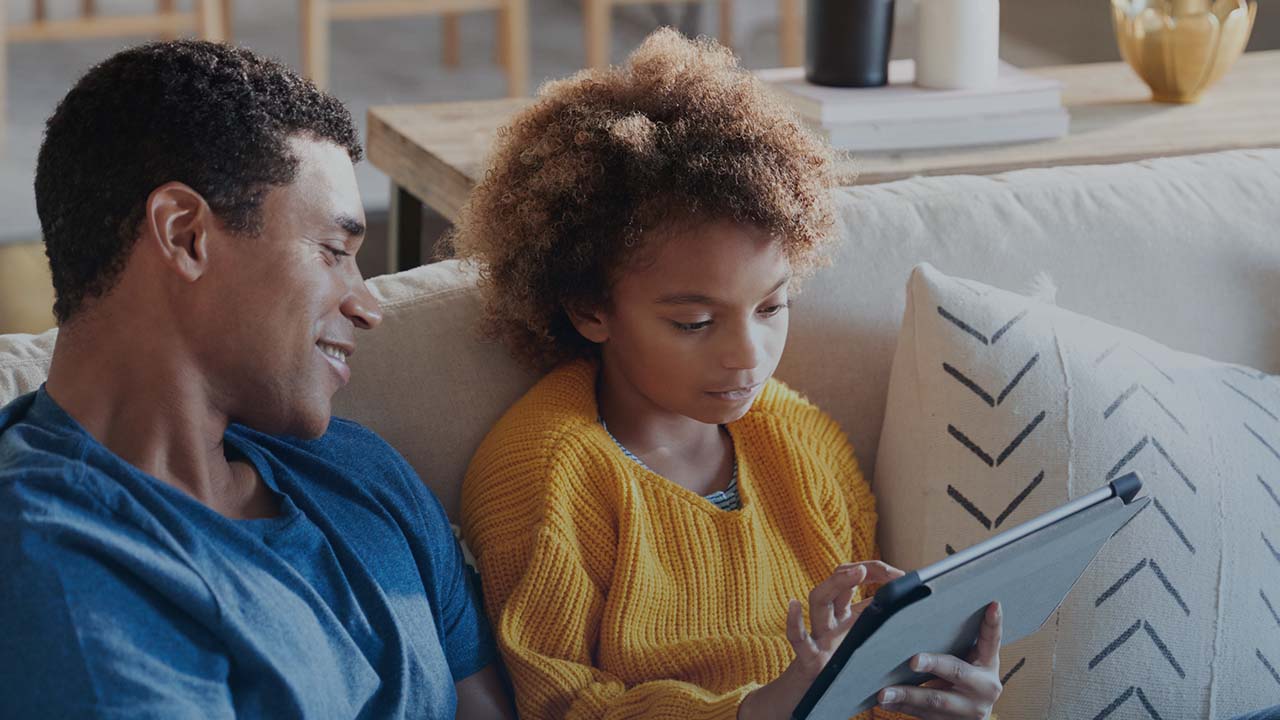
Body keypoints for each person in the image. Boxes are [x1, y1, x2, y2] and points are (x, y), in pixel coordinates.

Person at [452, 29, 1004, 720]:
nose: (748, 355)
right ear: (590, 308)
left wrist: (933, 696)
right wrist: (757, 711)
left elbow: (865, 674)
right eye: (694, 323)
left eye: (773, 307)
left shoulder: (804, 442)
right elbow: (559, 705)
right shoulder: (544, 475)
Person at [0, 41, 512, 719]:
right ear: (185, 236)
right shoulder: (56, 565)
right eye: (334, 252)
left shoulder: (359, 474)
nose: (368, 306)